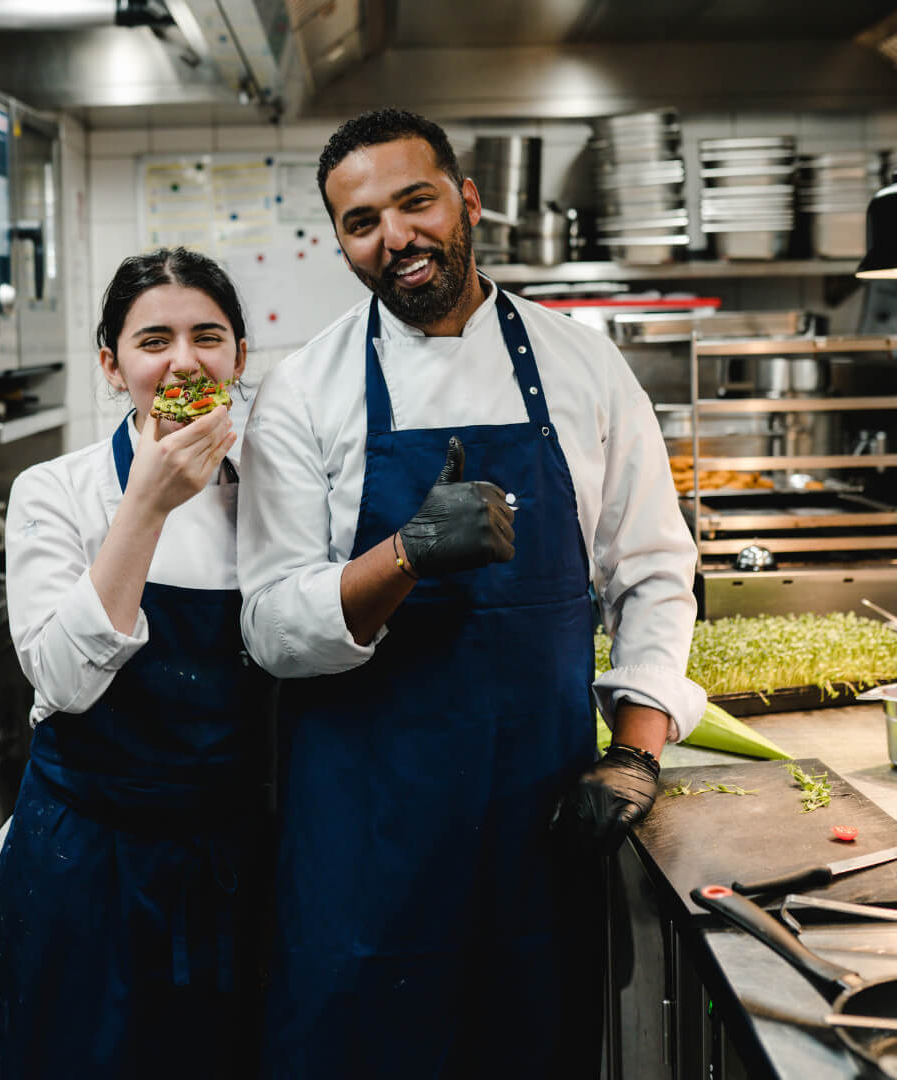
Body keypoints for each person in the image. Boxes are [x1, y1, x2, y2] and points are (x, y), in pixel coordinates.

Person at [237, 109, 707, 1077]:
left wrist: (635, 755)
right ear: (341, 243)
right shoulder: (304, 390)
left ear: (468, 202)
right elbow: (275, 629)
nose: (395, 237)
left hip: (535, 825)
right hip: (366, 836)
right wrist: (404, 553)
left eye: (416, 202)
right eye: (361, 222)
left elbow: (656, 572)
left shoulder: (583, 367)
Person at [0, 247, 273, 1079]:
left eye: (207, 336)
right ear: (114, 366)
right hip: (86, 859)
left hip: (232, 858)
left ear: (239, 358)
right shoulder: (56, 491)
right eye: (155, 341)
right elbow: (63, 680)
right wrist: (146, 501)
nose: (184, 360)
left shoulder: (277, 492)